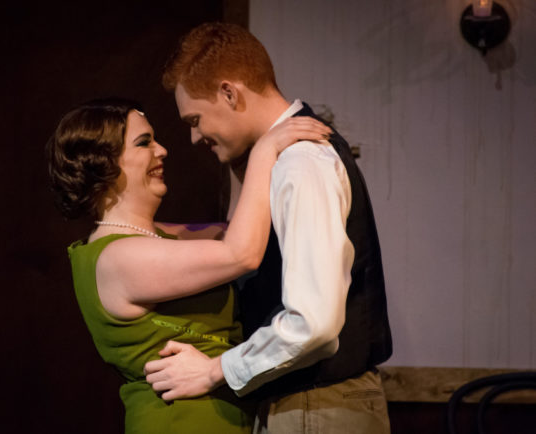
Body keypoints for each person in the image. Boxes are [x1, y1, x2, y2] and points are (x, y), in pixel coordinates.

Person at [143, 23, 393, 434]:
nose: (192, 137)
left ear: (229, 92)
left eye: (195, 119)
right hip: (309, 402)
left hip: (318, 405)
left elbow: (313, 324)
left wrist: (212, 371)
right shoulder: (276, 158)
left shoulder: (301, 162)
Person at [46, 97, 329, 434]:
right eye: (144, 143)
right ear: (103, 164)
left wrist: (241, 145)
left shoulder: (160, 236)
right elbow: (240, 254)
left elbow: (239, 227)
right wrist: (264, 151)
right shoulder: (117, 258)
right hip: (178, 422)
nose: (162, 150)